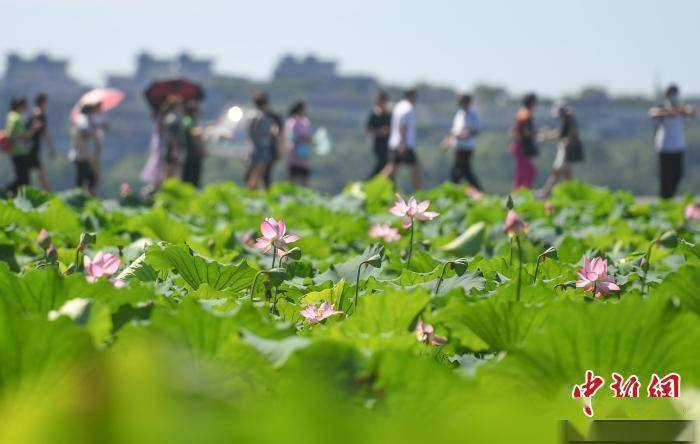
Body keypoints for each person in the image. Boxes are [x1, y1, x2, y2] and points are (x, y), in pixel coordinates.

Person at [648, 84, 696, 199]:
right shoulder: (662, 108)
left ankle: (670, 196)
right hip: (665, 148)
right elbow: (652, 113)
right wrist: (671, 112)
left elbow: (692, 112)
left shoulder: (681, 109)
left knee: (678, 175)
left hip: (678, 147)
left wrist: (680, 110)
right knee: (666, 177)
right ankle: (664, 199)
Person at [536, 101, 583, 199]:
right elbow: (560, 133)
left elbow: (562, 135)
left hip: (567, 150)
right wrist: (546, 136)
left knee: (556, 171)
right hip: (565, 149)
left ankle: (545, 192)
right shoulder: (568, 121)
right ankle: (574, 195)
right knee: (567, 175)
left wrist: (545, 137)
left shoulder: (569, 121)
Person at [440, 94, 482, 190]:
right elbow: (454, 132)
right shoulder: (459, 114)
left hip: (466, 147)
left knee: (461, 172)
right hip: (458, 147)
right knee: (461, 172)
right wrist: (447, 141)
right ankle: (477, 191)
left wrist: (461, 136)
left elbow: (475, 131)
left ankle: (478, 191)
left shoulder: (472, 115)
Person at [382, 89, 420, 189]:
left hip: (395, 142)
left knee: (392, 167)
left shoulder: (399, 106)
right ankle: (418, 192)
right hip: (404, 143)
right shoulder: (408, 108)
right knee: (414, 167)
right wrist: (403, 144)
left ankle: (376, 185)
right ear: (412, 96)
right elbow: (403, 125)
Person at [4, 97, 43, 195]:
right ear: (20, 106)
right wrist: (32, 130)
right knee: (23, 180)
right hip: (18, 152)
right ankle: (4, 193)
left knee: (23, 180)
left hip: (20, 152)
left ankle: (12, 197)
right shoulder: (15, 117)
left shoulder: (14, 116)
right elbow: (12, 133)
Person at [246, 92, 279, 189]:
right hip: (262, 147)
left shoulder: (251, 115)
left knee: (253, 173)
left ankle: (250, 192)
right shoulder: (263, 116)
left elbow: (250, 133)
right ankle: (252, 193)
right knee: (258, 174)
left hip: (254, 147)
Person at [26, 93, 56, 192]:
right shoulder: (40, 114)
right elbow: (45, 133)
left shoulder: (31, 114)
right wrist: (51, 148)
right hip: (33, 146)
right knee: (39, 172)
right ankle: (49, 194)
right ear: (43, 102)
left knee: (31, 172)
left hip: (28, 146)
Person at [69, 104, 101, 195]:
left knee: (81, 179)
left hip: (79, 154)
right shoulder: (83, 119)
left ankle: (80, 197)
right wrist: (93, 134)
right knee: (91, 179)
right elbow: (84, 132)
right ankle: (82, 198)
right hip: (82, 155)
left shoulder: (79, 119)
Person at [510, 93, 538, 189]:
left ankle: (523, 191)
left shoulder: (522, 112)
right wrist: (537, 135)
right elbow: (526, 132)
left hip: (519, 145)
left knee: (526, 171)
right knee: (525, 172)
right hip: (521, 146)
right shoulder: (526, 114)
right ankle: (518, 193)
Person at [285, 100, 313, 186]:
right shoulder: (292, 122)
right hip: (295, 154)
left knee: (304, 179)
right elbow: (291, 137)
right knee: (292, 179)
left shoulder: (306, 122)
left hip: (304, 154)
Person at [366, 91, 391, 178]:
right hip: (379, 145)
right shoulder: (374, 114)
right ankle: (370, 183)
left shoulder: (389, 114)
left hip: (389, 145)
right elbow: (368, 130)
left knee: (388, 166)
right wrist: (380, 131)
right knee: (383, 165)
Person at [180, 101, 206, 187]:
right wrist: (206, 129)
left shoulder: (193, 121)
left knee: (194, 180)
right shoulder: (188, 120)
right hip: (190, 156)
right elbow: (194, 132)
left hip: (194, 156)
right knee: (189, 180)